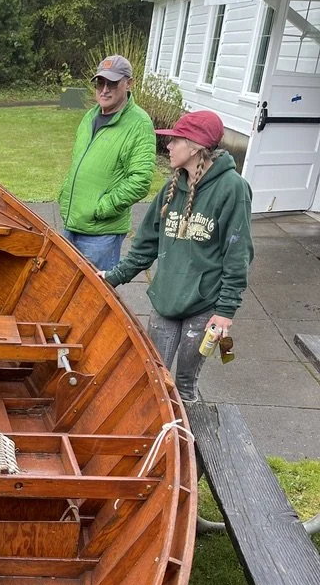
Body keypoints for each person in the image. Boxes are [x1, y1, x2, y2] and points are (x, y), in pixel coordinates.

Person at [100, 110, 254, 403]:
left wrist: (225, 311)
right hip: (166, 303)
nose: (167, 147)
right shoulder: (172, 188)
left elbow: (238, 253)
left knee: (183, 387)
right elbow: (145, 244)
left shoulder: (232, 188)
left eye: (174, 141)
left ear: (195, 146)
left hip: (203, 308)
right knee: (152, 380)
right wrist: (113, 277)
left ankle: (188, 440)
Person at [57, 55, 156, 271]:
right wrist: (65, 194)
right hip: (72, 223)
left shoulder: (139, 124)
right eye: (100, 83)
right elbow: (78, 163)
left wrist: (100, 208)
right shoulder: (90, 117)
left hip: (101, 235)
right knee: (63, 293)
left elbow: (140, 180)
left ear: (129, 83)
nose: (104, 89)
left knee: (92, 299)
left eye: (112, 83)